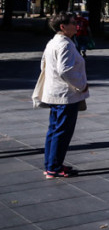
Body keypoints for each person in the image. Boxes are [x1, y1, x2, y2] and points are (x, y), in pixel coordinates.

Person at [40, 12, 90, 178]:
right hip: (64, 95)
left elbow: (44, 65)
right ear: (63, 27)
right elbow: (65, 70)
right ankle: (53, 167)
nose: (77, 25)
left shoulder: (54, 42)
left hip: (55, 93)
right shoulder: (65, 45)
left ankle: (51, 164)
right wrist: (81, 85)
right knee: (62, 131)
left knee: (54, 130)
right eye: (73, 23)